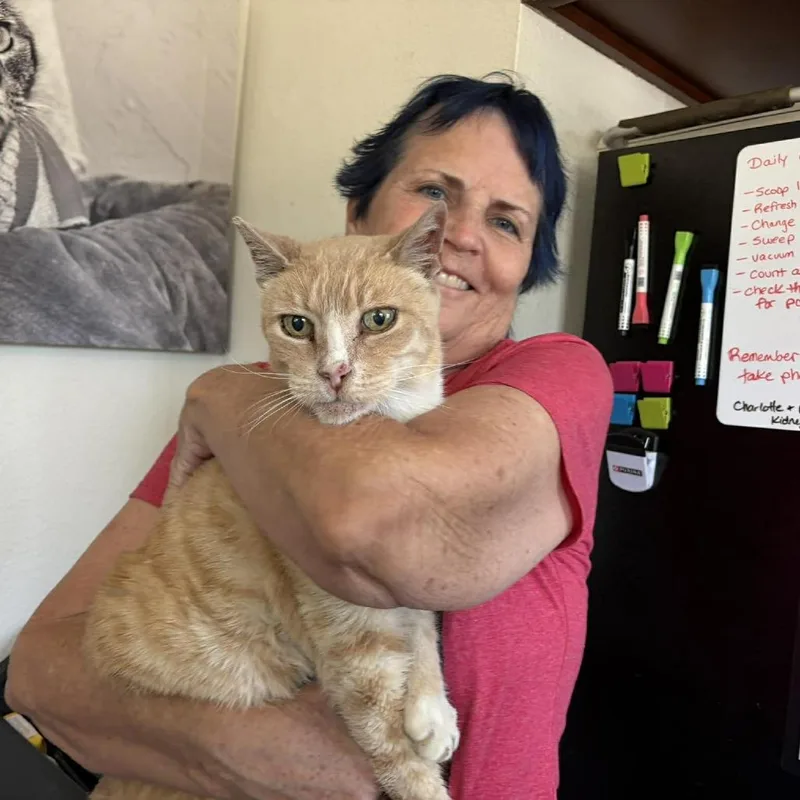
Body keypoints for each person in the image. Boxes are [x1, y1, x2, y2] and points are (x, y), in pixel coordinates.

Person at [6, 73, 612, 799]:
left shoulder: (559, 373)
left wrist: (215, 391)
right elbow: (39, 667)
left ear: (529, 266)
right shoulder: (270, 399)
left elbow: (376, 527)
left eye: (509, 222)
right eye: (434, 194)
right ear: (359, 210)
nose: (460, 235)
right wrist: (250, 750)